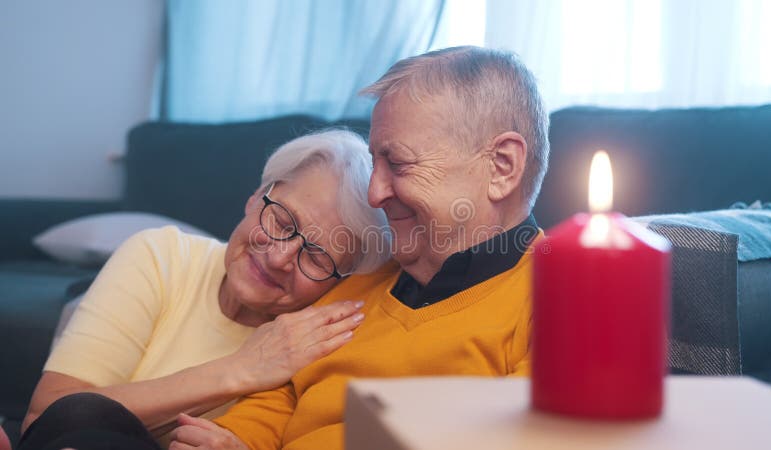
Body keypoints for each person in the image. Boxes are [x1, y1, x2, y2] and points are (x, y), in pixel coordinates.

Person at [173, 46, 549, 450]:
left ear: (502, 166)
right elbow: (274, 400)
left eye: (399, 164)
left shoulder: (558, 300)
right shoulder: (353, 285)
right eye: (375, 163)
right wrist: (233, 441)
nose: (375, 194)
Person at [18, 130, 392, 450]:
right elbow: (47, 418)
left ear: (341, 281)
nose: (279, 257)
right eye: (281, 220)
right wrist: (239, 370)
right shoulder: (162, 255)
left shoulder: (323, 341)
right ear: (257, 195)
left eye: (316, 256)